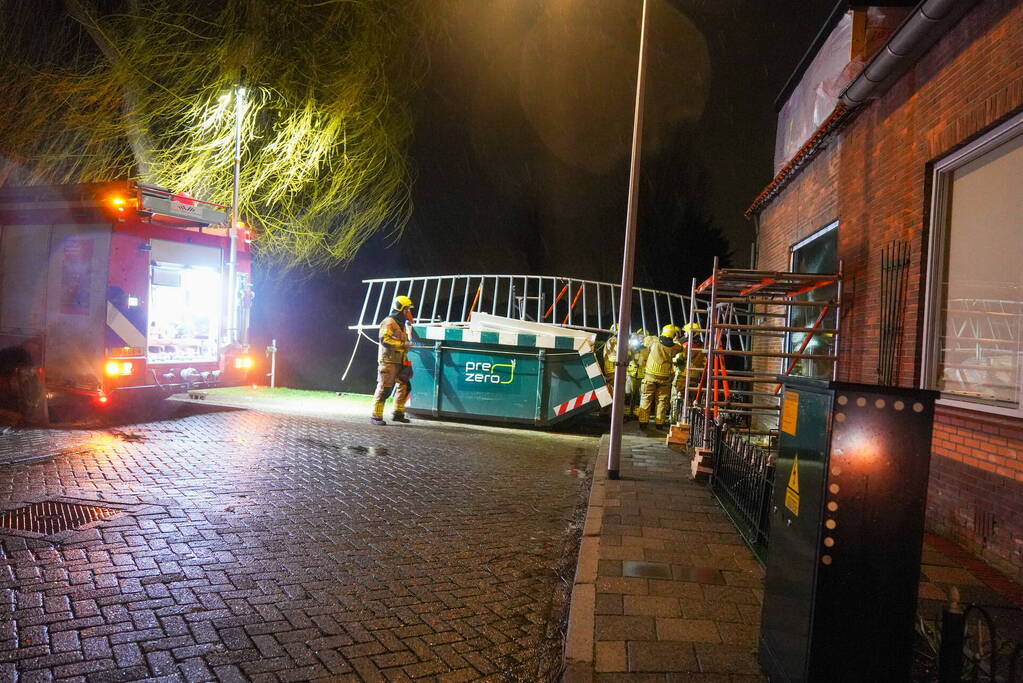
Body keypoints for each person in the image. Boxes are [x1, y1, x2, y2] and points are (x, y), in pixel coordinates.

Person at [370, 295, 414, 426]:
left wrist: (407, 345)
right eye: (407, 309)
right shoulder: (389, 322)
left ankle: (398, 413)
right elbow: (385, 340)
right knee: (385, 389)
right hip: (388, 362)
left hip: (400, 361)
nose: (409, 312)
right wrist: (402, 344)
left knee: (405, 387)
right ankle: (375, 416)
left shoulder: (402, 324)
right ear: (401, 309)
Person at [637, 324, 682, 431]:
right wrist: (674, 338)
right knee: (662, 401)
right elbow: (679, 346)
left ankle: (643, 422)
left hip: (650, 376)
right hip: (665, 378)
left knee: (646, 398)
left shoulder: (653, 342)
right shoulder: (675, 347)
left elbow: (645, 340)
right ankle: (659, 423)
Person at [625, 328, 649, 419]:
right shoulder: (631, 346)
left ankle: (637, 413)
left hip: (642, 375)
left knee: (640, 396)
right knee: (629, 394)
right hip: (632, 374)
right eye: (640, 335)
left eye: (643, 336)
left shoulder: (647, 348)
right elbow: (627, 356)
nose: (641, 337)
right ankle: (628, 412)